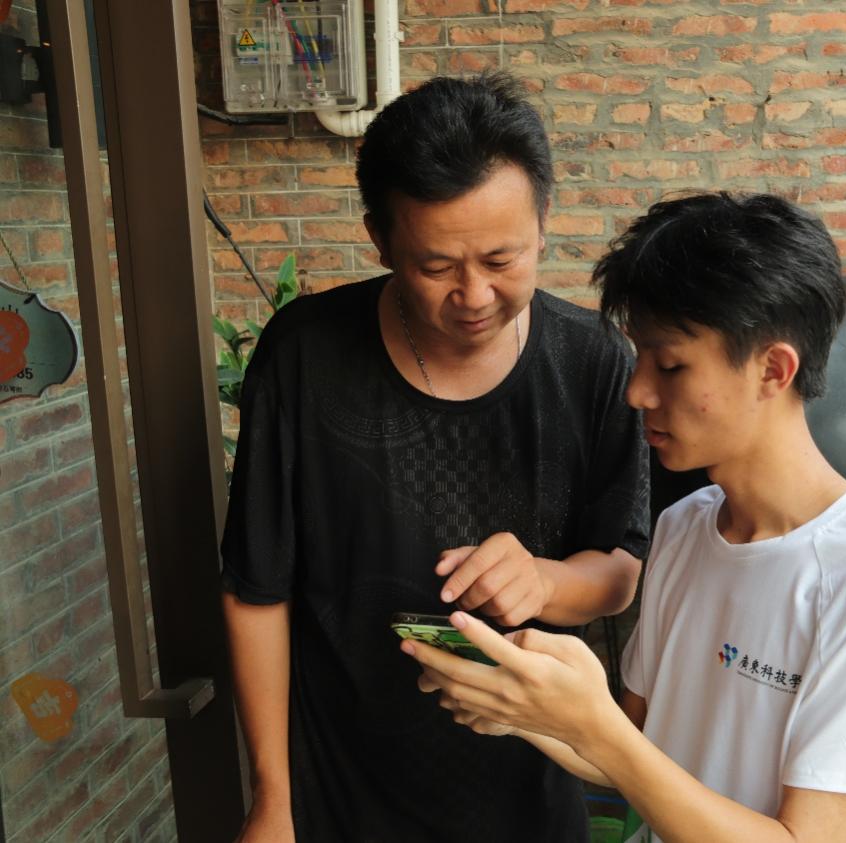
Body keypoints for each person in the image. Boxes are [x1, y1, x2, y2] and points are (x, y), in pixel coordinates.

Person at [407, 193, 846, 843]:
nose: (637, 391)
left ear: (773, 369)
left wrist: (594, 725)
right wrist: (527, 709)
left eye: (669, 365)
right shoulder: (684, 527)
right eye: (639, 359)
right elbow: (637, 751)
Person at [219, 72, 650, 842]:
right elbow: (257, 587)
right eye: (436, 266)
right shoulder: (305, 355)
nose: (474, 294)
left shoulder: (593, 362)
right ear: (381, 240)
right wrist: (271, 796)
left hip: (529, 790)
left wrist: (544, 579)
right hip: (338, 789)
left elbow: (621, 569)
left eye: (501, 259)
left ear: (543, 223)